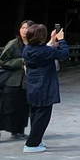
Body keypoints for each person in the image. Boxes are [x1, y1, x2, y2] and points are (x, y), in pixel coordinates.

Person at [21, 24, 69, 153]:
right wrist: (62, 40)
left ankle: (36, 139)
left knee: (36, 114)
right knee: (42, 116)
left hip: (32, 86)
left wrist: (52, 41)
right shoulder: (45, 51)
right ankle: (32, 144)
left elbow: (44, 50)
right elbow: (64, 54)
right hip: (44, 87)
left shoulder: (27, 49)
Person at [0, 20, 34, 141]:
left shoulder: (33, 44)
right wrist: (21, 62)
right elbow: (3, 60)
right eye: (23, 28)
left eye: (28, 28)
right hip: (12, 80)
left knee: (23, 107)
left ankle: (18, 130)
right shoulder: (13, 44)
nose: (25, 30)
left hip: (27, 81)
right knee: (8, 106)